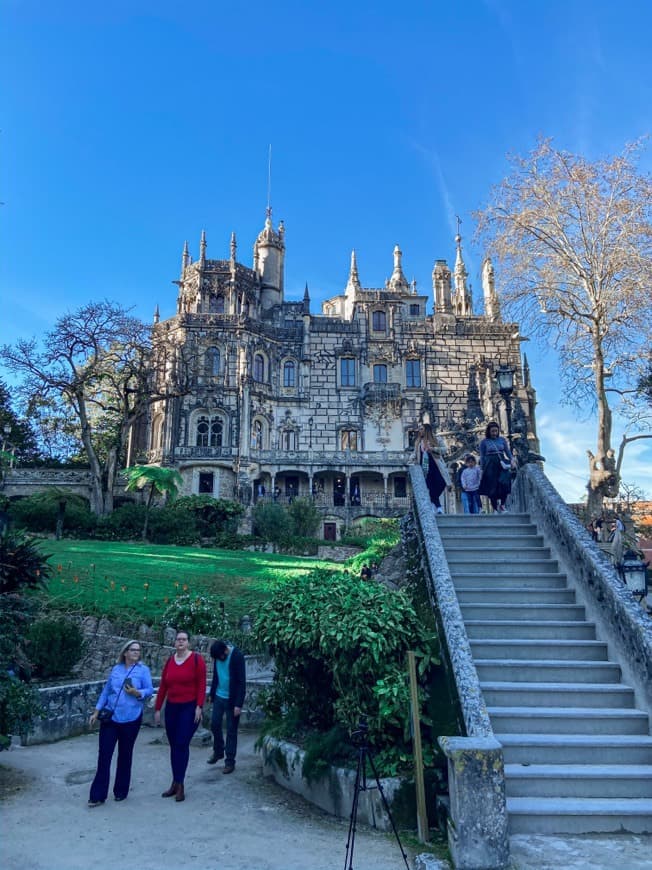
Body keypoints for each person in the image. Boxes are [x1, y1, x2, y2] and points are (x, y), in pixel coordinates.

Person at [88, 640, 153, 807]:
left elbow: (149, 690)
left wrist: (137, 692)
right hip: (111, 718)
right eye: (133, 650)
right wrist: (96, 711)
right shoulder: (116, 669)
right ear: (125, 652)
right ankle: (97, 795)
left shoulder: (143, 670)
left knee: (125, 754)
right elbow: (107, 691)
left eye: (138, 650)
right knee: (104, 755)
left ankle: (121, 791)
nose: (136, 653)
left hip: (131, 718)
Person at [154, 630, 207, 802]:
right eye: (178, 639)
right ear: (175, 642)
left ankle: (180, 784)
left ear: (189, 642)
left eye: (184, 639)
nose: (181, 642)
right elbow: (163, 685)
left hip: (189, 707)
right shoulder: (170, 661)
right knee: (173, 745)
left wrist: (199, 706)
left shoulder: (197, 660)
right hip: (172, 708)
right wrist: (157, 708)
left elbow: (201, 684)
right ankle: (175, 782)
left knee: (182, 744)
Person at [207, 639, 246, 775]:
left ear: (225, 651)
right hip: (219, 696)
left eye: (221, 657)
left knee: (231, 730)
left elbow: (242, 682)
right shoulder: (218, 656)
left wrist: (238, 704)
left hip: (232, 699)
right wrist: (212, 694)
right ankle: (218, 751)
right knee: (215, 724)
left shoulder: (237, 656)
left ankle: (230, 761)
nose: (219, 660)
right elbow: (216, 676)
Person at [478, 421, 515, 513]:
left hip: (501, 463)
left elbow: (507, 451)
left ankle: (502, 505)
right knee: (492, 487)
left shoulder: (502, 440)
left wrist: (512, 460)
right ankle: (495, 508)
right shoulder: (484, 442)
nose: (494, 433)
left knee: (505, 483)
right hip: (490, 465)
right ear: (489, 431)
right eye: (492, 431)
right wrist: (482, 469)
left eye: (496, 431)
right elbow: (482, 456)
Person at [414, 423, 451, 514]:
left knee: (441, 483)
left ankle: (432, 503)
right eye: (419, 429)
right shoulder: (418, 442)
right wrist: (410, 462)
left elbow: (444, 450)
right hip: (425, 468)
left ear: (427, 430)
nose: (420, 431)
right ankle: (438, 507)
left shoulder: (436, 439)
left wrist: (433, 449)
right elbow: (415, 454)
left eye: (421, 429)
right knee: (430, 487)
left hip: (436, 466)